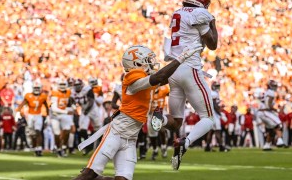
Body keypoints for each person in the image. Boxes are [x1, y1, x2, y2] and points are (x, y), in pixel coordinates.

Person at [73, 44, 200, 180]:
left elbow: (164, 78)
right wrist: (181, 58)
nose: (151, 63)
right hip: (117, 132)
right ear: (137, 62)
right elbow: (159, 77)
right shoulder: (133, 76)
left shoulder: (144, 78)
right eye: (148, 60)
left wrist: (189, 68)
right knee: (88, 175)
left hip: (131, 138)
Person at [150, 0, 218, 170]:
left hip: (173, 69)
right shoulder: (200, 14)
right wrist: (213, 22)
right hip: (190, 68)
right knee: (208, 119)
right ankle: (185, 143)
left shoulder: (178, 13)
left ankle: (161, 119)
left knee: (176, 121)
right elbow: (212, 44)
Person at [16, 81, 48, 156]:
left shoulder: (43, 96)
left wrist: (48, 116)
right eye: (35, 88)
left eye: (38, 88)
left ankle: (39, 148)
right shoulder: (28, 95)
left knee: (38, 131)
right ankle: (35, 148)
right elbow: (22, 104)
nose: (36, 89)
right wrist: (18, 112)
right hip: (30, 115)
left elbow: (46, 106)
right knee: (32, 133)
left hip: (38, 115)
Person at [72, 78, 100, 155]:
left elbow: (91, 100)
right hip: (84, 111)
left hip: (93, 110)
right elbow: (72, 102)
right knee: (82, 130)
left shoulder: (87, 89)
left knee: (99, 128)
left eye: (78, 85)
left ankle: (99, 147)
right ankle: (89, 146)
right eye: (76, 85)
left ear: (82, 85)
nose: (77, 87)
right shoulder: (72, 92)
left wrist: (86, 110)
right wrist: (74, 108)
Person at [256, 80, 285, 151]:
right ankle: (280, 141)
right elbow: (268, 105)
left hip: (262, 112)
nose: (275, 87)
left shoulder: (266, 92)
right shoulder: (271, 92)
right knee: (279, 124)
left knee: (271, 129)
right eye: (274, 86)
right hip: (265, 112)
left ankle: (267, 145)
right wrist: (276, 110)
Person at [50, 79, 75, 157]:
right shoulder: (55, 93)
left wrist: (73, 106)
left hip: (64, 112)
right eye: (61, 84)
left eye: (64, 84)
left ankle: (64, 147)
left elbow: (70, 100)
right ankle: (58, 148)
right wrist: (67, 112)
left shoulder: (68, 92)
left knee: (67, 130)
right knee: (57, 134)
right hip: (55, 115)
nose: (62, 86)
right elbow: (54, 109)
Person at [206, 81, 229, 152]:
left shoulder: (213, 93)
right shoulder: (214, 94)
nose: (218, 88)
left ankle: (207, 147)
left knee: (211, 131)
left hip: (211, 114)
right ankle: (221, 147)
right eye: (216, 86)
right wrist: (220, 114)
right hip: (214, 114)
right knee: (218, 131)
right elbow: (215, 105)